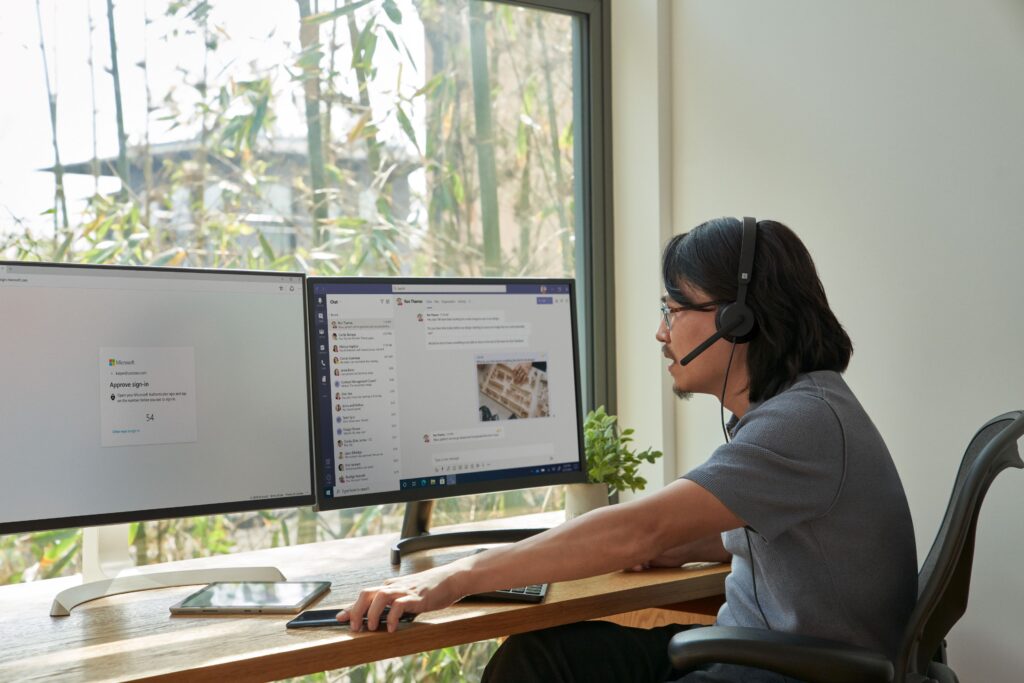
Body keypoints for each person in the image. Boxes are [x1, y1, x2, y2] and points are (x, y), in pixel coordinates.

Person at [336, 218, 918, 683]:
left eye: (673, 309)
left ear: (738, 320)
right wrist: (687, 546)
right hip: (764, 655)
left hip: (778, 671)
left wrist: (450, 578)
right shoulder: (804, 406)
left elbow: (634, 531)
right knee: (542, 659)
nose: (661, 332)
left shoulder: (800, 422)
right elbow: (797, 539)